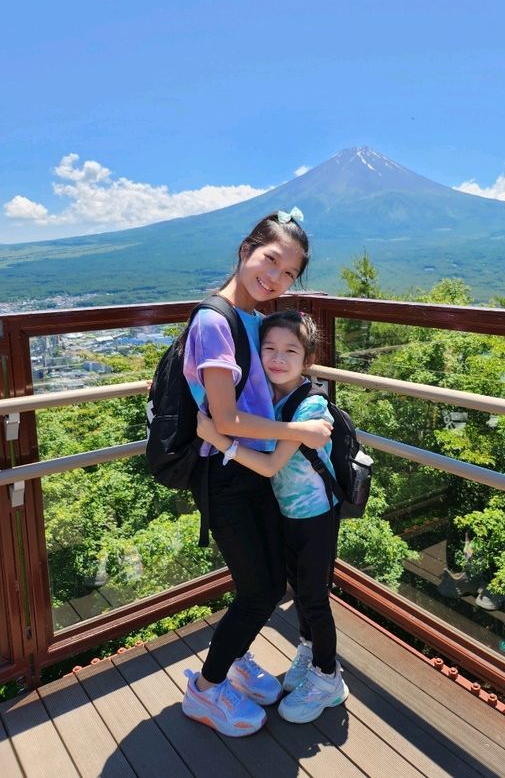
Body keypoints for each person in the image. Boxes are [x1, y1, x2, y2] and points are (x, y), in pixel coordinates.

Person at [180, 209, 333, 738]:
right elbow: (223, 418)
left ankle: (234, 656)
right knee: (261, 591)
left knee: (266, 582)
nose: (276, 279)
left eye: (289, 273)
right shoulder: (215, 322)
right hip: (225, 477)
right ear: (247, 249)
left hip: (253, 473)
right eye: (271, 260)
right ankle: (205, 689)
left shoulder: (254, 319)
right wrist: (302, 434)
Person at [196, 309, 349, 724]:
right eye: (269, 349)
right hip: (287, 513)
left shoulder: (310, 405)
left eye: (290, 351)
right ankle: (307, 649)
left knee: (315, 599)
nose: (278, 359)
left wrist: (217, 438)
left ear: (308, 359)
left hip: (316, 515)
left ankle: (327, 676)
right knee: (300, 590)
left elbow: (268, 466)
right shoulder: (267, 395)